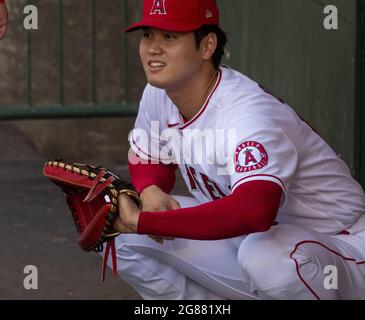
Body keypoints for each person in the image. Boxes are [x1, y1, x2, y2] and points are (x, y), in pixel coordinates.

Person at [105, 0, 365, 300]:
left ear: (207, 46)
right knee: (116, 231)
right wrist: (149, 191)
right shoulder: (160, 93)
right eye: (148, 34)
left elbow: (254, 211)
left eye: (170, 37)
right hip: (251, 244)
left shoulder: (246, 115)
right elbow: (147, 155)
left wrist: (147, 221)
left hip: (338, 249)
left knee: (266, 261)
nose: (153, 48)